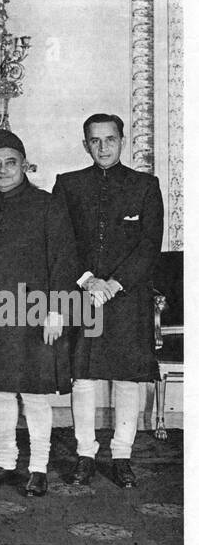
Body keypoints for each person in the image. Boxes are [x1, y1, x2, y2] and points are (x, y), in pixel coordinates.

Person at [0, 129, 80, 497]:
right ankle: (5, 463)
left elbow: (63, 259)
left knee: (35, 394)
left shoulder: (46, 204)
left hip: (31, 312)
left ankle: (38, 467)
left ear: (24, 165)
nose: (3, 171)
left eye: (11, 163)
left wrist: (57, 309)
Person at [53, 114, 164, 489]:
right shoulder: (67, 185)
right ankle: (85, 454)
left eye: (110, 139)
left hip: (127, 297)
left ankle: (121, 456)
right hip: (82, 291)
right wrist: (87, 281)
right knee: (81, 375)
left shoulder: (146, 186)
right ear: (85, 144)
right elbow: (60, 241)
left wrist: (113, 284)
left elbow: (149, 246)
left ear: (122, 141)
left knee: (126, 379)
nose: (103, 147)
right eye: (95, 141)